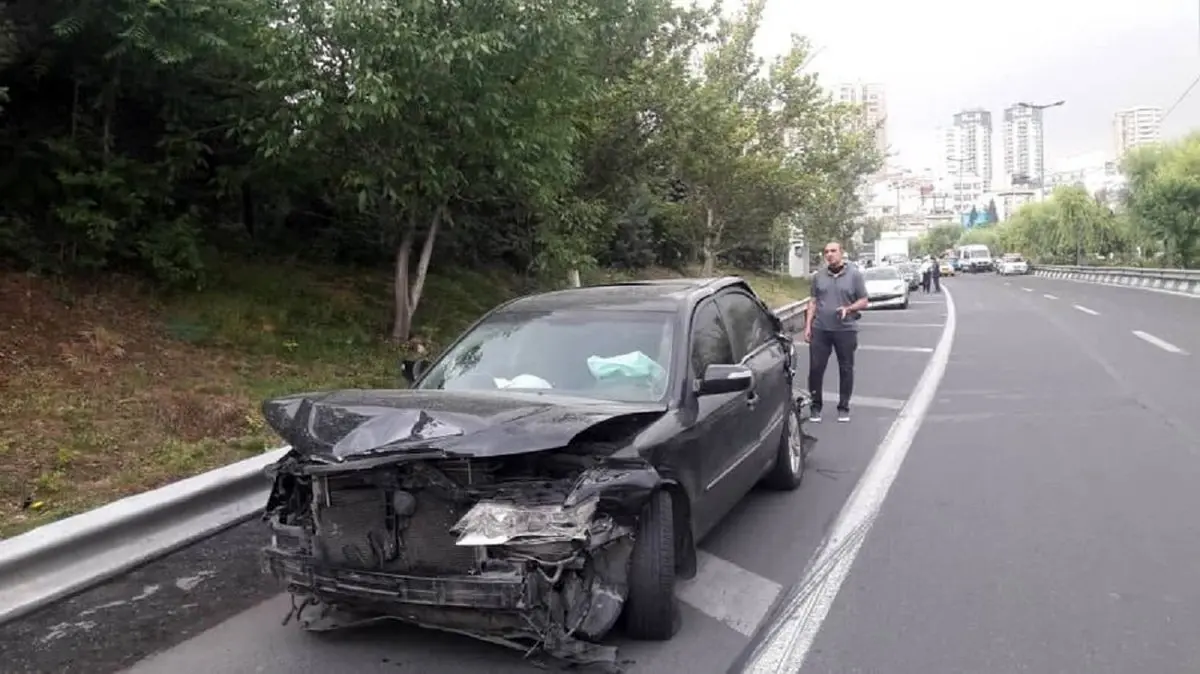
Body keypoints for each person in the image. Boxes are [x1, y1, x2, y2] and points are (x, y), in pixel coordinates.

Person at [803, 241, 869, 423]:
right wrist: (808, 326)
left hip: (845, 329)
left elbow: (864, 301)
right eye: (826, 252)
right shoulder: (818, 276)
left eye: (833, 251)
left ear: (841, 253)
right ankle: (815, 406)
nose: (829, 254)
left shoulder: (854, 275)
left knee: (846, 368)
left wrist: (849, 308)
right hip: (821, 329)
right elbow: (813, 302)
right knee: (816, 369)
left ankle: (843, 406)